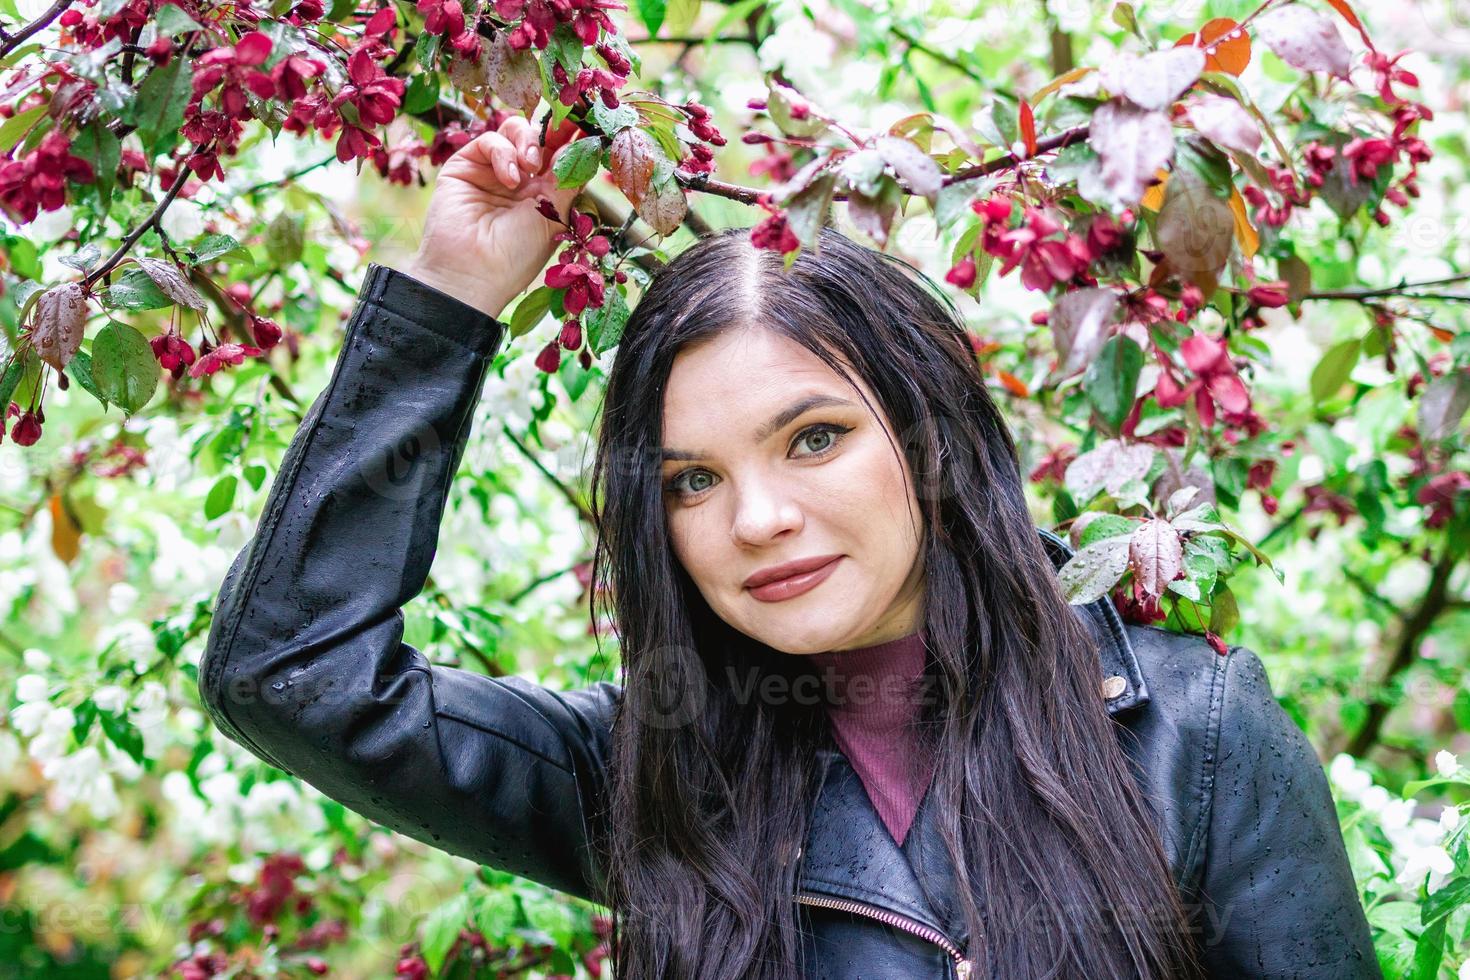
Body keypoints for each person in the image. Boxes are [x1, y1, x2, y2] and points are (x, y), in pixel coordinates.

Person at [197, 114, 1382, 979]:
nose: (755, 516)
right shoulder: (656, 773)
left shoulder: (1195, 736)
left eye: (812, 439)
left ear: (930, 440)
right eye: (692, 480)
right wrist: (444, 299)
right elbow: (293, 672)